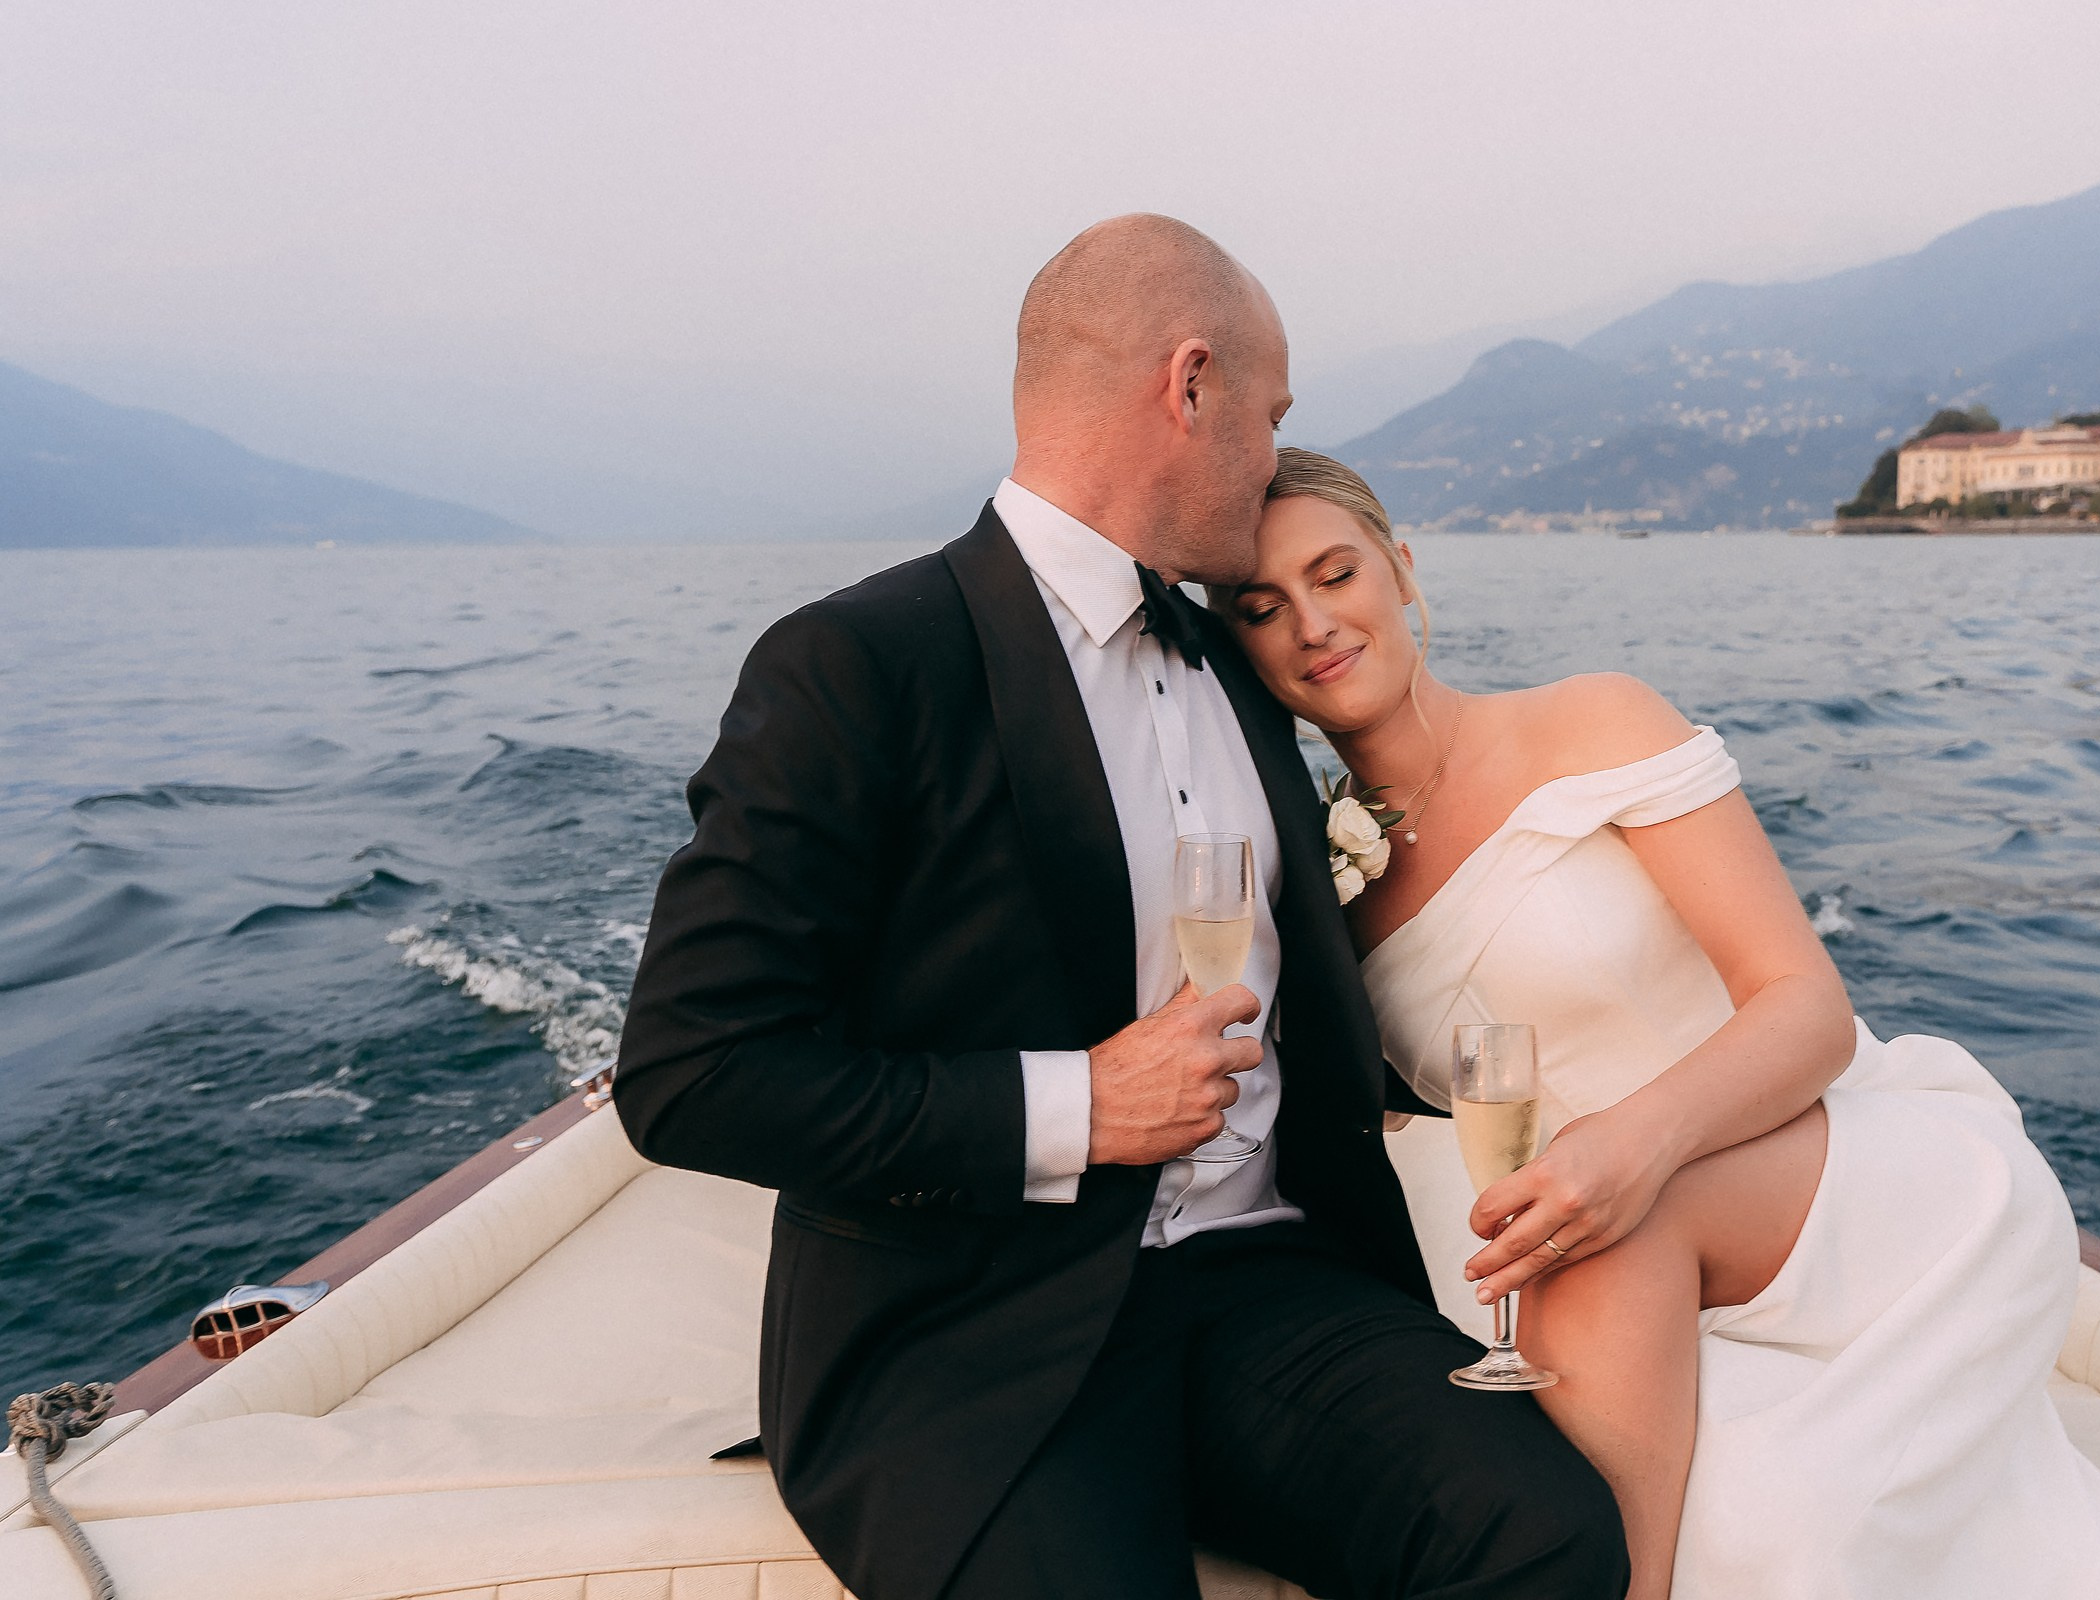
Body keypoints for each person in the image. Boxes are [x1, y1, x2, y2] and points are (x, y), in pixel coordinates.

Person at [613, 219, 1629, 1600]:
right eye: (1269, 419)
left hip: (1271, 1289)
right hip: (970, 1340)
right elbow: (691, 1076)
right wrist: (1080, 1106)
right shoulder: (856, 663)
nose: (1273, 458)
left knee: (1548, 1532)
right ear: (1190, 386)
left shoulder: (1242, 653)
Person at [1212, 448, 2100, 1600]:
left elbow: (1808, 1008)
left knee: (1607, 1235)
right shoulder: (1328, 896)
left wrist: (1637, 1143)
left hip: (1838, 1164)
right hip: (1620, 1248)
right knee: (1751, 1514)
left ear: (1404, 570)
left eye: (1337, 574)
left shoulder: (1593, 725)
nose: (1313, 624)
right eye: (1263, 608)